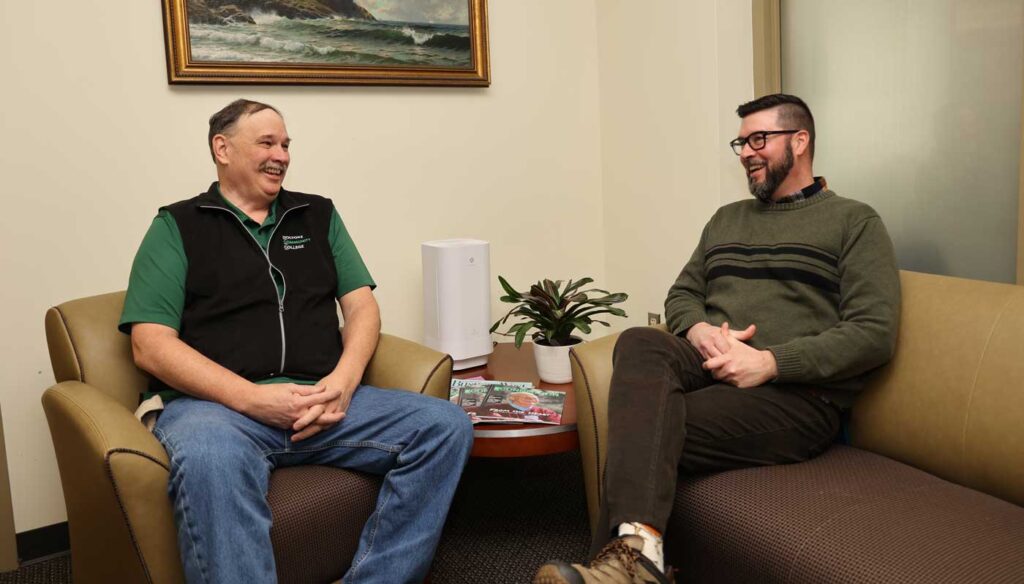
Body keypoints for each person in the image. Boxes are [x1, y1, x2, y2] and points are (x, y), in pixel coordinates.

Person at [533, 94, 900, 584]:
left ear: (801, 140)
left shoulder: (854, 222)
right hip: (709, 366)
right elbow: (682, 293)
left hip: (795, 397)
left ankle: (622, 566)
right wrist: (699, 329)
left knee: (646, 422)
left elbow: (873, 334)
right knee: (640, 341)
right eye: (741, 142)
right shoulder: (727, 219)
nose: (747, 152)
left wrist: (771, 362)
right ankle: (633, 567)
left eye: (759, 139)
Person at [118, 99, 474, 584]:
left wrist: (343, 383)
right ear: (222, 148)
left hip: (323, 400)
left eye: (285, 144)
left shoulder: (318, 215)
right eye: (266, 142)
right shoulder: (176, 227)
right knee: (209, 460)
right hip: (218, 411)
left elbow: (362, 307)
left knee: (446, 425)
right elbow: (151, 345)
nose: (281, 155)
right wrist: (253, 400)